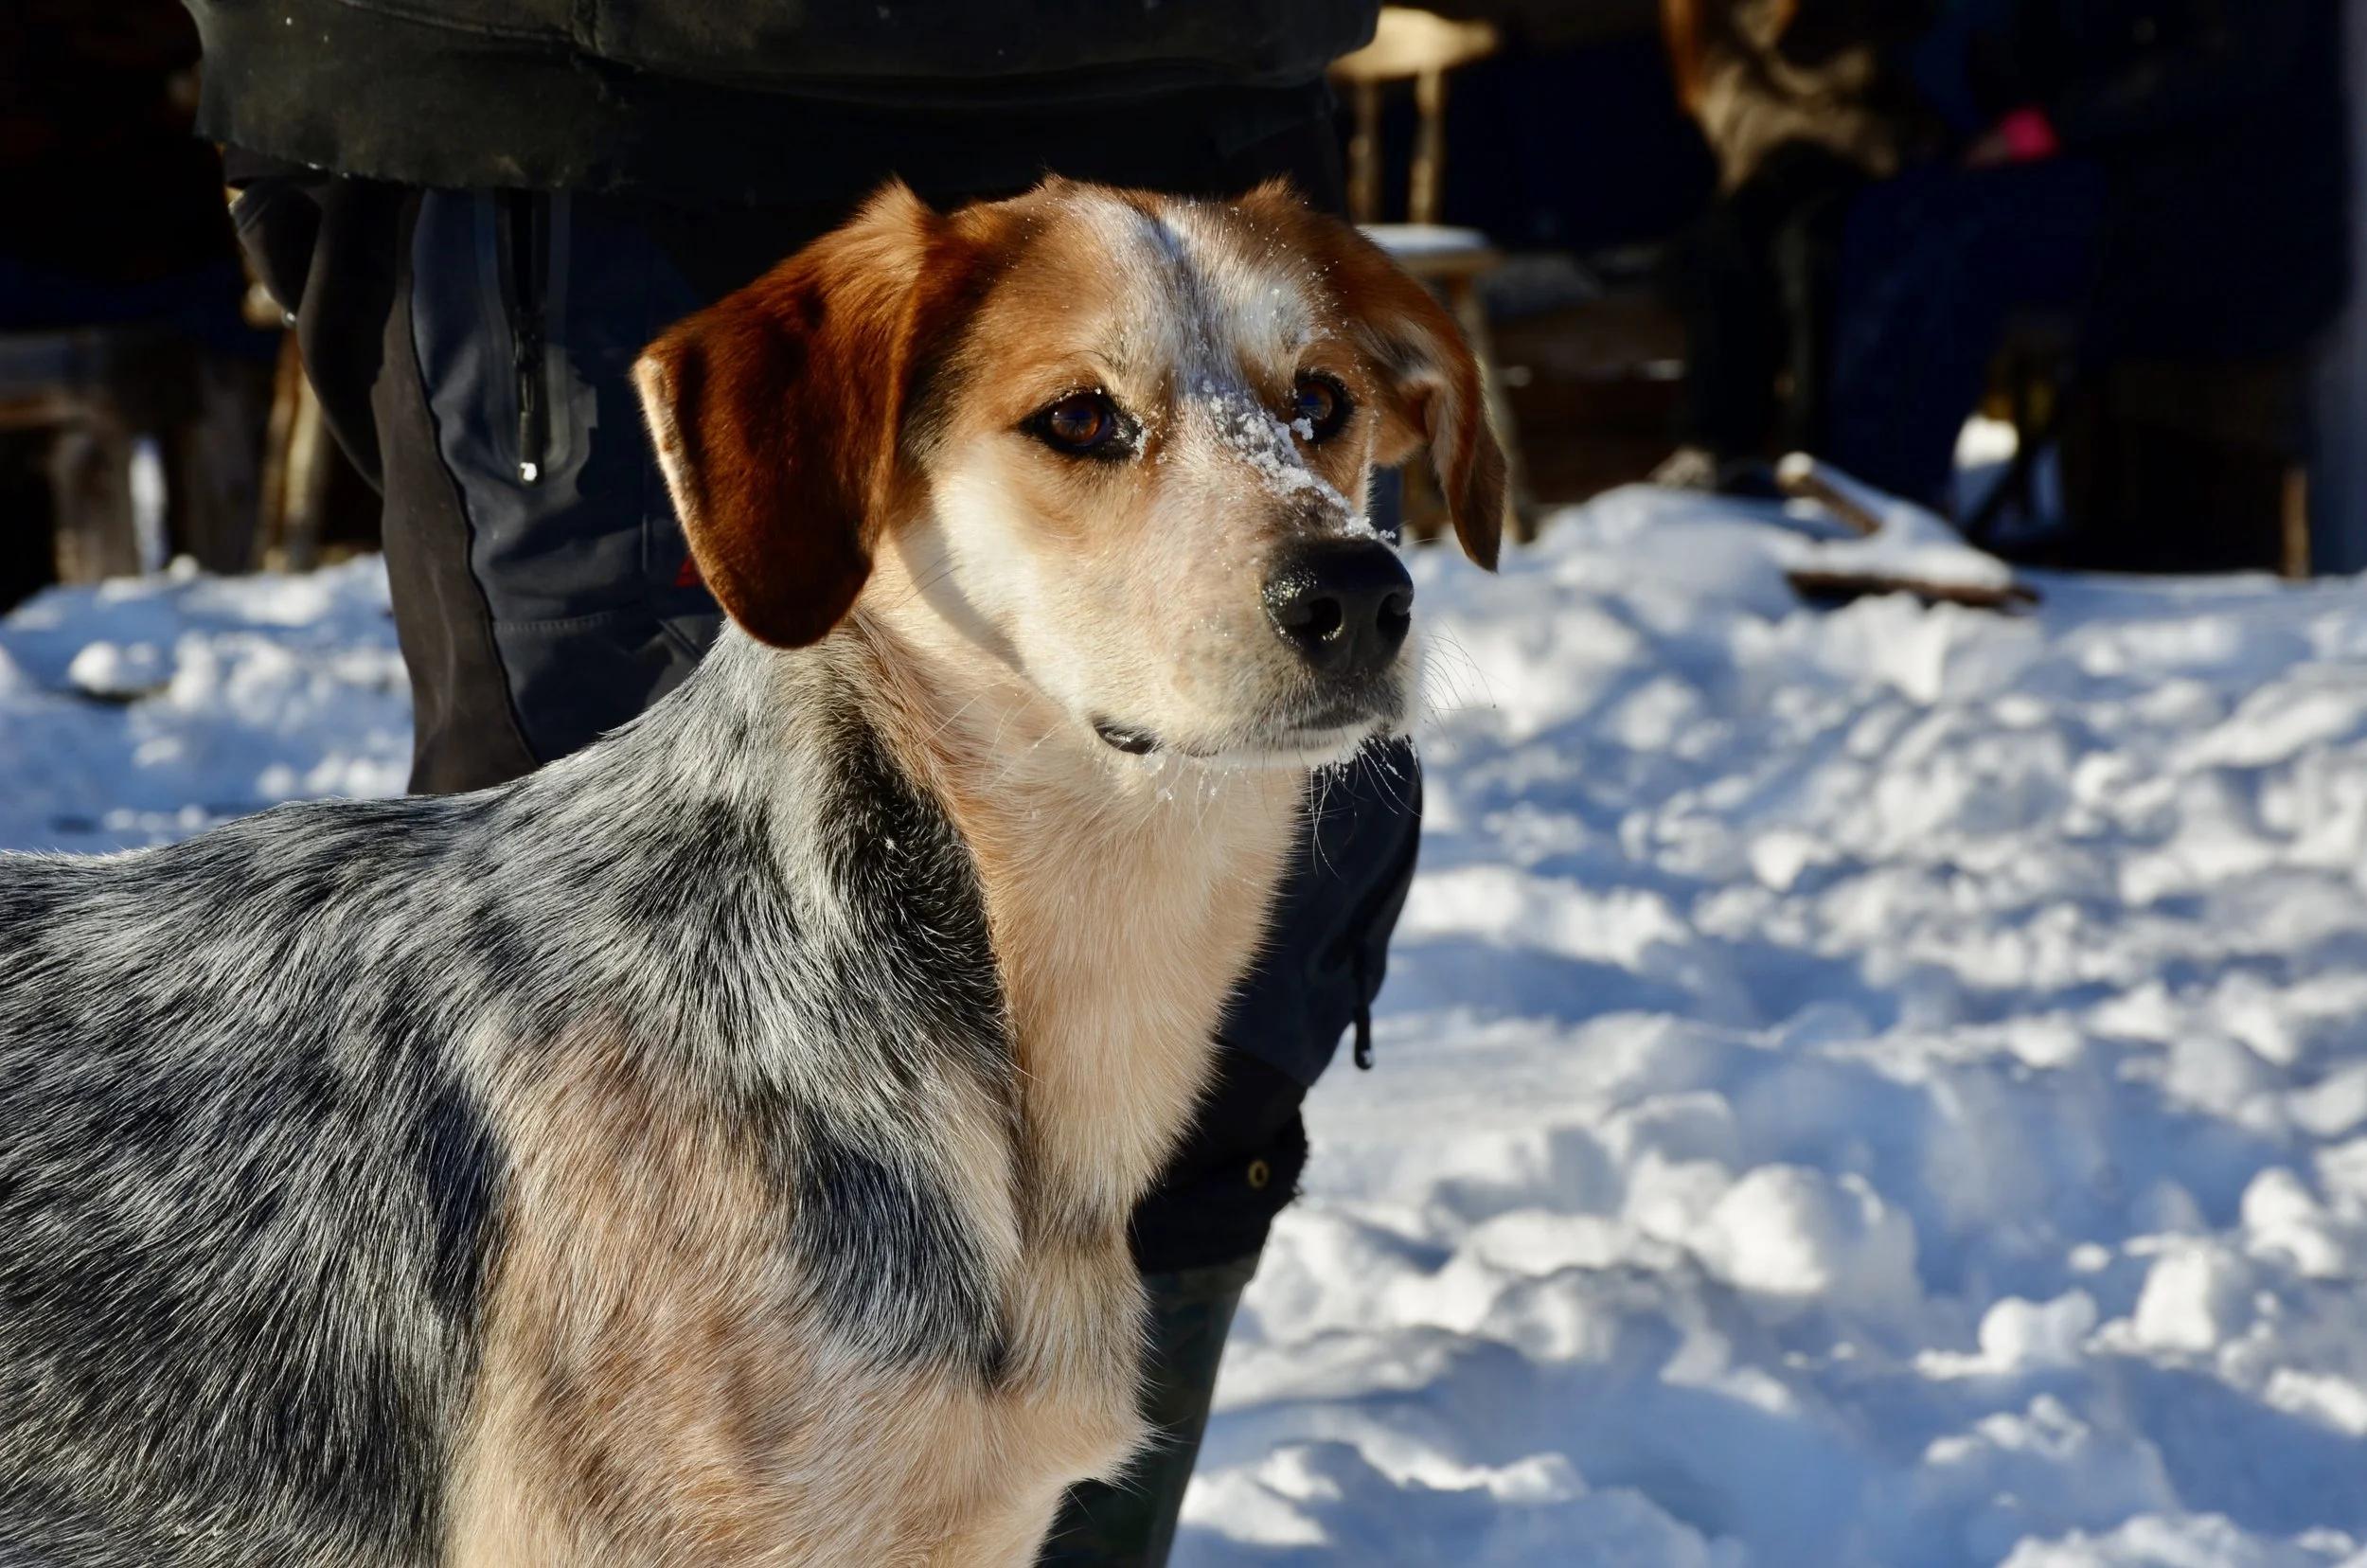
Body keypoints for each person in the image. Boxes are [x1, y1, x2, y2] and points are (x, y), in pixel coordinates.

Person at [183, 2, 1414, 1562]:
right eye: (1088, 424)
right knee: (604, 1012)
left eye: (1320, 414)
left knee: (1211, 1037)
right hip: (573, 111)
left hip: (1185, 64)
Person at [1819, 0, 2351, 511]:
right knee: (1888, 214)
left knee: (1955, 242)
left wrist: (2049, 126)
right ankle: (1842, 486)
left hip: (2222, 212)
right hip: (2107, 176)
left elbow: (2234, 61)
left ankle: (1890, 498)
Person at [1654, 0, 1940, 495]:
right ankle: (1718, 447)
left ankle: (1815, 458)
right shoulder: (1712, 15)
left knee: (1817, 253)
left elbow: (1907, 83)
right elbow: (1721, 95)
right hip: (1769, 166)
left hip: (1876, 175)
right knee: (1724, 245)